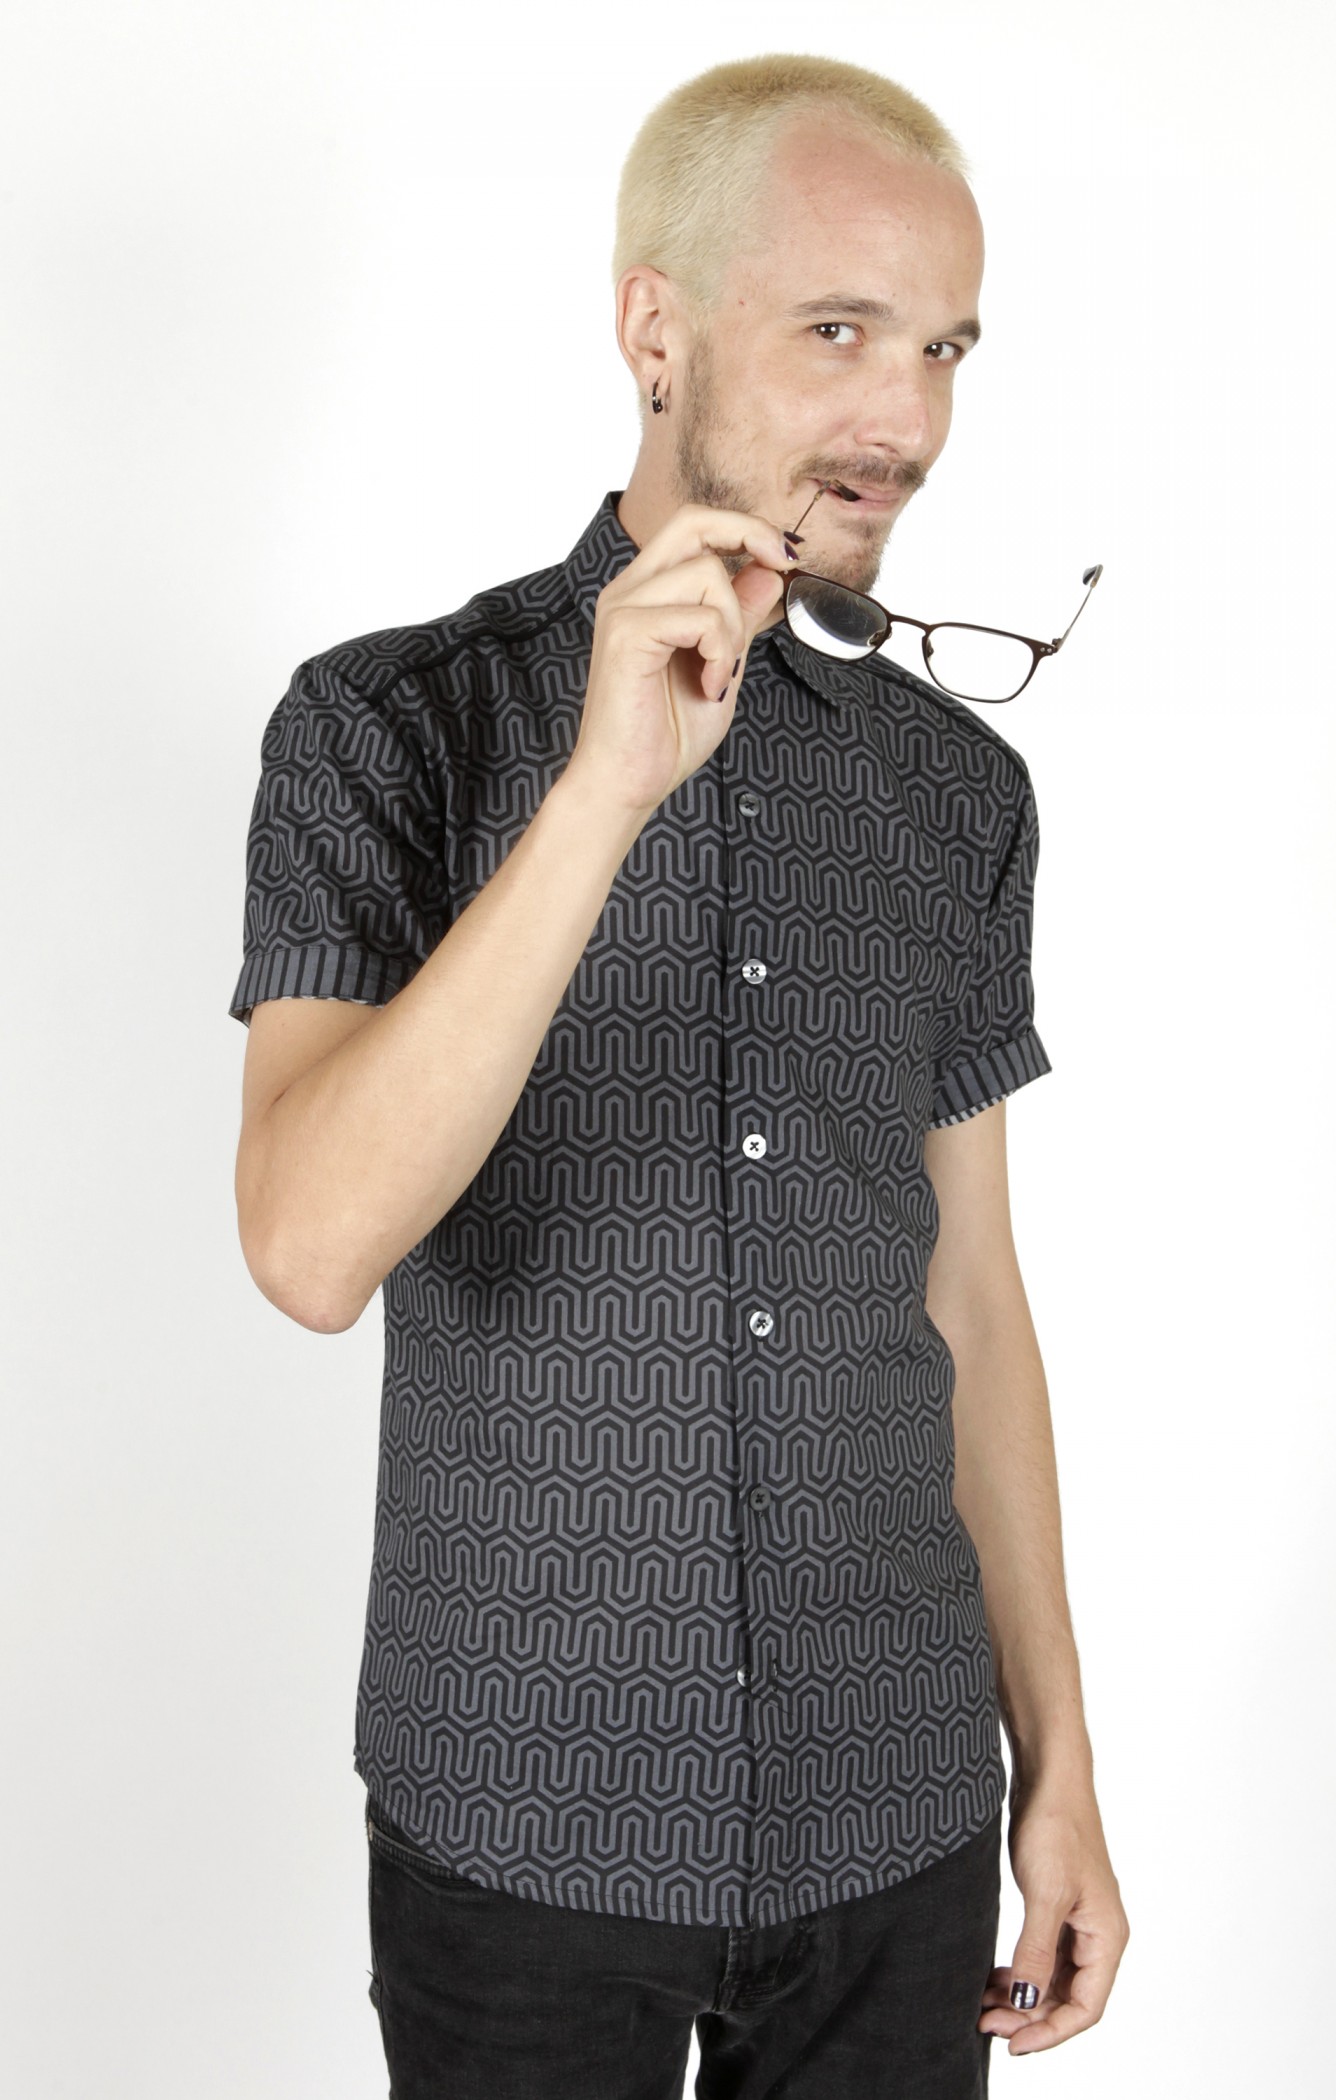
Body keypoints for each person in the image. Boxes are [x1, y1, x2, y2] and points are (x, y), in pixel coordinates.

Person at [229, 50, 1128, 2099]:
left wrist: (1059, 1761)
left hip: (898, 1814)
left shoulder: (958, 793)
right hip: (521, 1814)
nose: (907, 422)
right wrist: (603, 793)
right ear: (656, 329)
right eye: (840, 333)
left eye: (944, 349)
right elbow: (306, 1246)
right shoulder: (384, 729)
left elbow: (973, 1301)